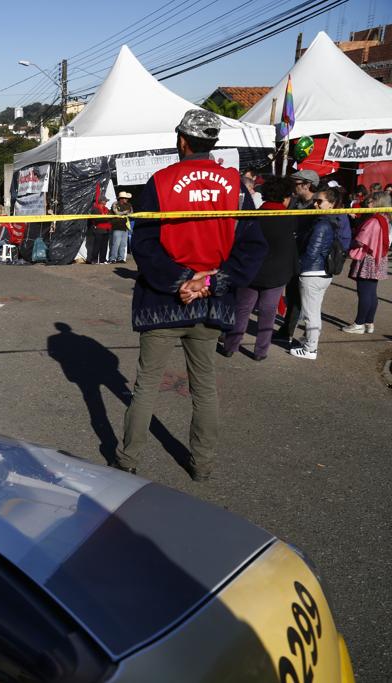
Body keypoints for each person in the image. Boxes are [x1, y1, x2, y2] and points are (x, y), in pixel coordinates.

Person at [115, 109, 266, 481]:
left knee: (146, 386)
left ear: (182, 140)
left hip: (163, 301)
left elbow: (145, 244)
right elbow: (252, 248)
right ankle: (203, 464)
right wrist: (210, 284)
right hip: (211, 303)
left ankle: (127, 460)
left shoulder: (161, 181)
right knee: (205, 387)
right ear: (212, 141)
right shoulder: (235, 185)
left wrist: (182, 281)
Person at [220, 176, 298, 361]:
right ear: (285, 198)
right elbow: (291, 249)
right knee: (268, 312)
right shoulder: (289, 219)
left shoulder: (253, 216)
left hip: (250, 270)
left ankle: (231, 345)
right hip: (276, 274)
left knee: (242, 309)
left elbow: (240, 242)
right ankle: (260, 351)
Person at [289, 188, 349, 360]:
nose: (315, 204)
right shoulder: (330, 221)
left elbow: (311, 252)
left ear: (331, 204)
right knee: (313, 311)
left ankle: (310, 349)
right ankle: (310, 341)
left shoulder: (322, 224)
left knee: (310, 313)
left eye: (320, 201)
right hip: (322, 273)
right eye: (315, 200)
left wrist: (298, 268)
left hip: (313, 273)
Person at [276, 169, 320, 341]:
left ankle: (296, 334)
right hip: (291, 255)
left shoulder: (317, 206)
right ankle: (287, 328)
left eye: (296, 183)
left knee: (304, 300)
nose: (293, 187)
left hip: (307, 260)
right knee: (292, 294)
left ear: (307, 185)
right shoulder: (295, 202)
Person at [342, 191, 389, 334]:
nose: (367, 203)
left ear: (377, 202)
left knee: (364, 293)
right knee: (372, 293)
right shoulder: (385, 218)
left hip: (368, 258)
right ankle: (369, 322)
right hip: (378, 258)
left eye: (370, 201)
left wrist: (347, 244)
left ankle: (359, 323)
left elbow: (360, 240)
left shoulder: (374, 220)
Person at [88, 188, 112, 264]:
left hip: (106, 229)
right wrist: (106, 218)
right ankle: (94, 260)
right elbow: (96, 220)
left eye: (106, 201)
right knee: (97, 245)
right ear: (101, 201)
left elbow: (110, 217)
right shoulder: (95, 209)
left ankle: (103, 259)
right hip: (99, 229)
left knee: (104, 246)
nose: (106, 202)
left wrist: (106, 217)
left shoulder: (107, 209)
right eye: (105, 201)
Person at [108, 191, 133, 263]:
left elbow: (131, 212)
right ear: (121, 198)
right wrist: (125, 212)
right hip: (117, 226)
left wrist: (125, 213)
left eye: (127, 198)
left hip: (125, 227)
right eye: (125, 198)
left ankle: (121, 258)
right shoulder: (115, 204)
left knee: (123, 244)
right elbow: (117, 212)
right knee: (116, 243)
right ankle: (113, 258)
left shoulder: (129, 204)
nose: (127, 199)